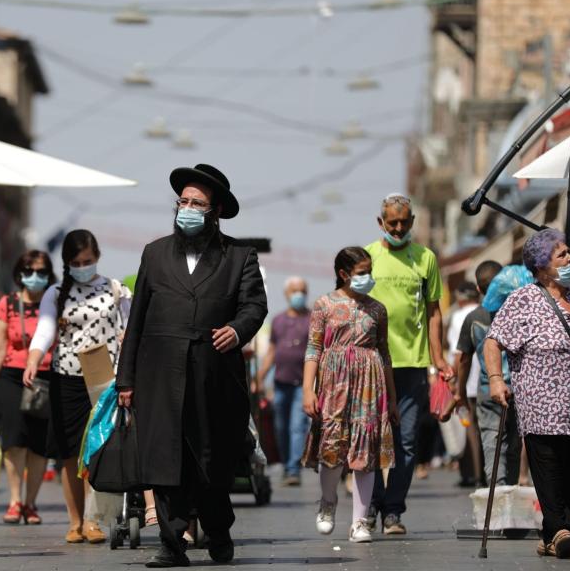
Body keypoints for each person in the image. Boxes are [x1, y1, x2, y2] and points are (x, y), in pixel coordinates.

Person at [117, 164, 268, 568]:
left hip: (213, 377)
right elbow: (137, 321)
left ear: (214, 211)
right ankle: (170, 542)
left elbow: (255, 306)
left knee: (211, 463)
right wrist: (125, 380)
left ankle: (219, 531)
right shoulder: (154, 252)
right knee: (164, 461)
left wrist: (237, 331)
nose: (186, 209)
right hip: (159, 376)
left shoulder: (239, 256)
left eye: (196, 203)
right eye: (182, 201)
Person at [484, 229, 570, 559]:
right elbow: (493, 340)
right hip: (541, 403)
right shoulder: (523, 301)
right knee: (549, 467)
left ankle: (553, 533)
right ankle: (561, 529)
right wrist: (496, 379)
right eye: (562, 255)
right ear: (541, 267)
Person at [25, 230, 131, 545]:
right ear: (67, 263)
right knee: (69, 454)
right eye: (76, 262)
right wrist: (34, 359)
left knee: (98, 451)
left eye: (87, 261)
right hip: (66, 379)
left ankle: (94, 519)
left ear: (97, 257)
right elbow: (44, 330)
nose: (82, 266)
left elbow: (128, 331)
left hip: (106, 381)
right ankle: (74, 521)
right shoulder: (55, 293)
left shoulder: (116, 291)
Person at [364, 193, 450, 535]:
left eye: (404, 222)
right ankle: (370, 504)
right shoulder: (367, 257)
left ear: (412, 222)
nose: (398, 228)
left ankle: (393, 511)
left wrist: (438, 357)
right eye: (392, 222)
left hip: (412, 365)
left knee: (407, 442)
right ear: (380, 222)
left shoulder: (425, 258)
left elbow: (433, 311)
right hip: (371, 364)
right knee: (370, 439)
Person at [302, 247, 397, 543]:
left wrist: (392, 398)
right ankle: (328, 502)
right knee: (332, 448)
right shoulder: (324, 305)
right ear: (344, 274)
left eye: (370, 271)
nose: (368, 277)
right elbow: (313, 348)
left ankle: (360, 521)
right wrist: (308, 389)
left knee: (365, 452)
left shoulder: (378, 309)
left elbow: (385, 354)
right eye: (361, 272)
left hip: (369, 384)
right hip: (334, 384)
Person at [0, 251, 56, 524]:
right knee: (14, 442)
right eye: (30, 270)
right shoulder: (7, 304)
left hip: (48, 378)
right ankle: (14, 500)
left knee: (39, 445)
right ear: (20, 274)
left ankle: (31, 504)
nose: (36, 277)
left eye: (42, 271)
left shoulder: (56, 303)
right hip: (12, 377)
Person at [456, 262, 533, 487]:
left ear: (479, 290)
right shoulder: (520, 313)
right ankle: (507, 492)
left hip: (488, 389)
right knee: (514, 446)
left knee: (492, 443)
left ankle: (497, 494)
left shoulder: (473, 318)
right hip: (520, 389)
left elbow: (464, 359)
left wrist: (459, 392)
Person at [253, 276, 311, 487]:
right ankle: (287, 464)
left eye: (302, 290)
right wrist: (258, 378)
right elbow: (271, 352)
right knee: (281, 427)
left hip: (302, 385)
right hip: (280, 383)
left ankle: (294, 468)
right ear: (286, 294)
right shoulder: (277, 320)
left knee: (298, 425)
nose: (299, 294)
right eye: (295, 290)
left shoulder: (312, 319)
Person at [447, 280, 483, 488]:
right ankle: (486, 474)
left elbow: (458, 353)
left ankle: (473, 474)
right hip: (487, 378)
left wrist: (453, 379)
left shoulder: (458, 316)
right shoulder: (485, 312)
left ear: (460, 298)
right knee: (486, 428)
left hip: (467, 380)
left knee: (468, 429)